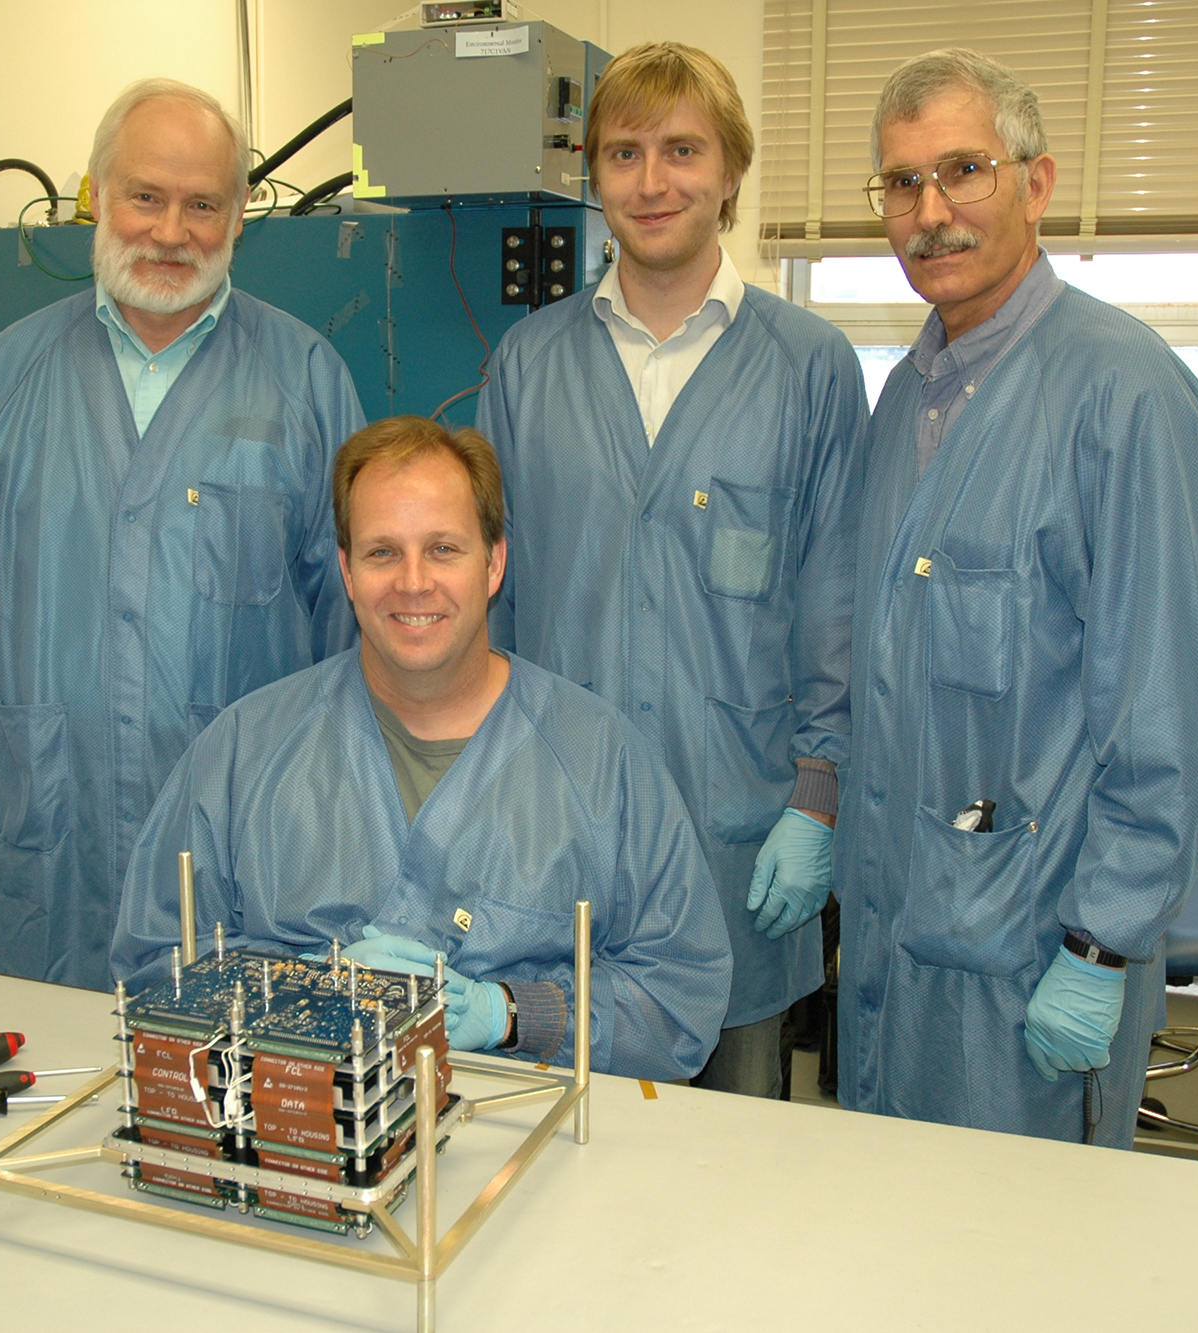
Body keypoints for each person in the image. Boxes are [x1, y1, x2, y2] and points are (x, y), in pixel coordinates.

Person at [835, 49, 1198, 1147]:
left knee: (1030, 1239)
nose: (930, 212)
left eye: (962, 170)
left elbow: (1170, 721)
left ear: (1037, 183)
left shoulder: (1127, 398)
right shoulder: (903, 401)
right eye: (901, 183)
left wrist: (1102, 945)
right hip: (894, 940)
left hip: (1035, 956)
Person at [476, 43, 868, 1096]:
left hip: (737, 836)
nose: (652, 181)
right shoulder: (527, 364)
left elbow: (835, 603)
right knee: (559, 1143)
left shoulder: (810, 368)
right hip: (554, 830)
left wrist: (817, 798)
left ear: (731, 170)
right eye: (624, 153)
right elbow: (489, 600)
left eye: (682, 150)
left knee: (732, 1157)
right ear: (592, 177)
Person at [110, 417, 731, 1081]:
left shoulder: (603, 761)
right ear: (346, 571)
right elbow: (150, 967)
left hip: (529, 1128)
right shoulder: (241, 753)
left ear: (493, 562)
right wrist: (302, 992)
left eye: (442, 548)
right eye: (382, 552)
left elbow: (678, 998)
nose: (412, 582)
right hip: (302, 1125)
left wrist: (511, 1014)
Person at [0, 78, 362, 991]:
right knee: (64, 1048)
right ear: (94, 195)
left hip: (243, 818)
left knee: (235, 1053)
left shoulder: (305, 377)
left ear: (238, 217)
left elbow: (352, 611)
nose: (170, 231)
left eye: (202, 204)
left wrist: (341, 799)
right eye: (145, 196)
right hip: (54, 810)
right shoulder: (13, 372)